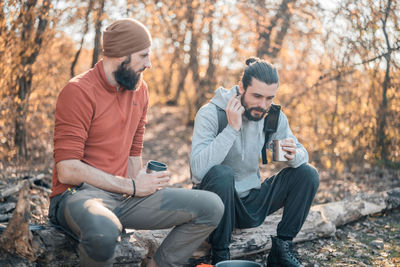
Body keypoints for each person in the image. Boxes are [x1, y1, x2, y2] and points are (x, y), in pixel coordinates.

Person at [48, 18, 224, 267]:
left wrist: (144, 184)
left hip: (123, 196)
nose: (149, 64)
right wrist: (131, 186)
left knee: (211, 206)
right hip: (78, 197)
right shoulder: (78, 91)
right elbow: (67, 169)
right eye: (143, 55)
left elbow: (133, 151)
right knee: (103, 231)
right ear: (121, 55)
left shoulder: (140, 90)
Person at [190, 57, 319, 266]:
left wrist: (294, 155)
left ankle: (281, 249)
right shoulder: (210, 113)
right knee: (223, 174)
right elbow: (198, 171)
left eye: (269, 98)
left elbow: (302, 153)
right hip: (214, 206)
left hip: (250, 203)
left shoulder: (272, 117)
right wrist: (231, 129)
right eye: (257, 96)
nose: (263, 105)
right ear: (241, 88)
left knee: (308, 174)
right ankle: (220, 254)